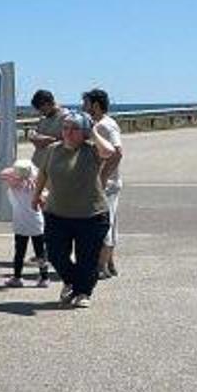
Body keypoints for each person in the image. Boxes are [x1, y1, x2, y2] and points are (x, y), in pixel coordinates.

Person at [32, 110, 116, 308]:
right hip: (57, 213)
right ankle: (71, 281)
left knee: (87, 258)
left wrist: (93, 131)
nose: (68, 133)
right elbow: (43, 174)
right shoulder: (53, 149)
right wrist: (36, 195)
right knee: (55, 254)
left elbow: (110, 152)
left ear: (84, 132)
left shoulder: (92, 150)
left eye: (75, 129)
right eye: (65, 128)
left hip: (91, 215)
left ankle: (83, 292)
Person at [83, 88, 124, 279]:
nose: (84, 107)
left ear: (96, 105)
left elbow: (117, 153)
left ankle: (101, 267)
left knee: (104, 224)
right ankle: (109, 263)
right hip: (97, 184)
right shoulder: (95, 125)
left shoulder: (107, 126)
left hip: (107, 186)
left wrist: (102, 178)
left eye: (86, 103)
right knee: (105, 223)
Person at [1, 160, 49, 287]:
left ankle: (17, 277)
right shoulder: (37, 187)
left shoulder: (14, 186)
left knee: (19, 252)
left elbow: (4, 174)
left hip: (20, 223)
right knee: (40, 252)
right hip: (37, 223)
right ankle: (44, 278)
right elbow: (45, 201)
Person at [28, 89, 65, 173]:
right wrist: (32, 136)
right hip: (38, 166)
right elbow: (37, 134)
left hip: (55, 168)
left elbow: (71, 142)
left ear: (49, 103)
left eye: (42, 110)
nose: (41, 113)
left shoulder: (65, 117)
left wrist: (49, 140)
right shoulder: (44, 118)